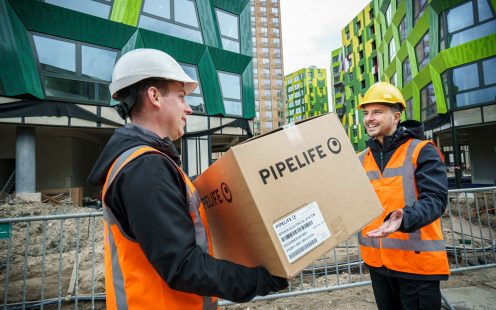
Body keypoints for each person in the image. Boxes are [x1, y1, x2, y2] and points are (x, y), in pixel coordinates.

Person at [87, 48, 287, 309]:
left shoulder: (149, 162)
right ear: (154, 96)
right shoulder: (145, 168)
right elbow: (183, 265)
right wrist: (260, 279)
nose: (189, 108)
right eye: (181, 97)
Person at [357, 82, 449, 310]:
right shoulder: (360, 160)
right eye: (366, 113)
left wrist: (404, 218)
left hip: (417, 265)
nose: (369, 118)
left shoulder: (421, 150)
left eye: (377, 112)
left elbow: (435, 199)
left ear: (396, 116)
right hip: (378, 264)